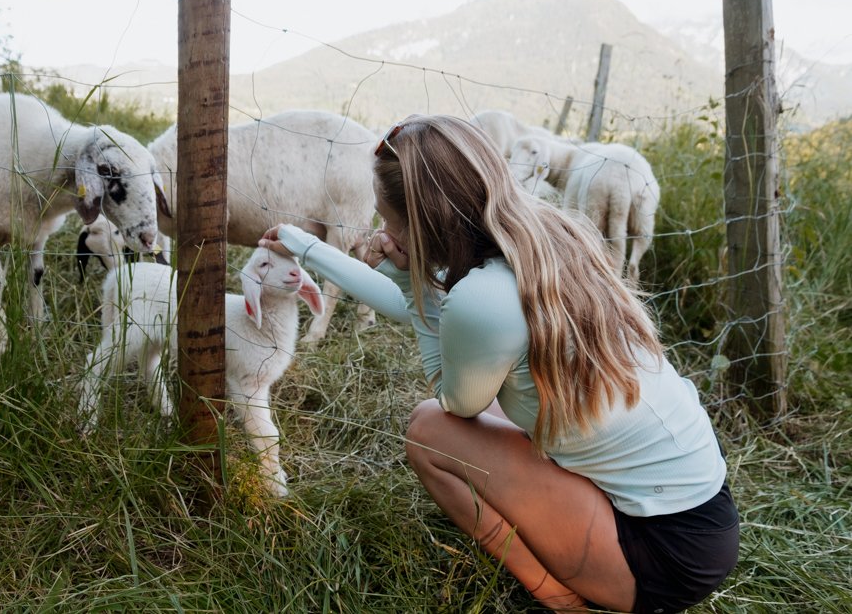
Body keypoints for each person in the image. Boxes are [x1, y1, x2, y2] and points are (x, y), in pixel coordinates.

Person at [258, 114, 739, 613]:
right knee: (505, 404)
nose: (382, 230)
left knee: (429, 430)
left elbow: (455, 403)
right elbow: (432, 310)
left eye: (389, 218)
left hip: (657, 556)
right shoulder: (543, 235)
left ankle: (559, 599)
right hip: (703, 522)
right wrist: (309, 248)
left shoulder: (484, 296)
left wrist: (409, 277)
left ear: (422, 221)